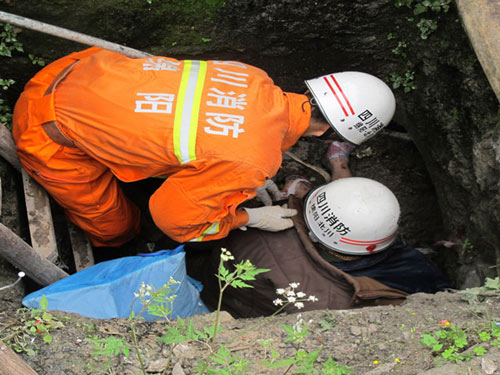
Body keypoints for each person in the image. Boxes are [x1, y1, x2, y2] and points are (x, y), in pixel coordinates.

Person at [12, 46, 396, 247]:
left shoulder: (251, 76)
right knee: (117, 227)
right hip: (46, 129)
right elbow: (172, 220)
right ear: (326, 132)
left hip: (74, 71)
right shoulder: (250, 161)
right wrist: (248, 218)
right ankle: (120, 243)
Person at [197, 141, 449, 318]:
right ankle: (338, 163)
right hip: (246, 308)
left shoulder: (253, 226)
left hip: (216, 292)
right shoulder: (333, 305)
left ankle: (333, 168)